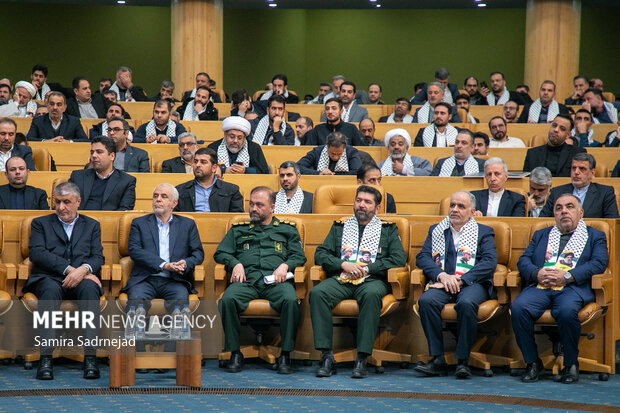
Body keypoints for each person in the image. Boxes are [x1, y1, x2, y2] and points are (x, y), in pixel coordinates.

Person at [511, 194, 608, 384]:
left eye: (569, 207)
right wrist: (536, 273)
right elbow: (523, 261)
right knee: (519, 307)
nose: (564, 211)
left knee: (565, 311)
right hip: (541, 286)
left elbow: (599, 263)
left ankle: (571, 364)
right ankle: (532, 362)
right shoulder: (542, 234)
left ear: (580, 213)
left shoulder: (595, 235)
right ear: (554, 214)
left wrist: (568, 276)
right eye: (559, 208)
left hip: (572, 287)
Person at [310, 185, 406, 378]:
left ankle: (362, 358)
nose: (361, 205)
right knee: (317, 293)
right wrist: (343, 264)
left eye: (367, 202)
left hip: (372, 280)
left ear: (377, 208)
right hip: (342, 278)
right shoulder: (340, 226)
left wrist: (367, 268)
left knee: (370, 296)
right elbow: (320, 254)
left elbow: (398, 259)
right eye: (359, 200)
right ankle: (327, 356)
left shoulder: (387, 230)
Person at [214, 186, 306, 374]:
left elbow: (299, 256)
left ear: (272, 207)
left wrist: (286, 265)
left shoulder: (287, 230)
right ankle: (235, 352)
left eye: (259, 205)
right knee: (227, 299)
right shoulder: (238, 230)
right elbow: (221, 252)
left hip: (276, 282)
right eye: (251, 204)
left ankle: (286, 354)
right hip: (246, 280)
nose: (253, 208)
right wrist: (235, 263)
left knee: (290, 300)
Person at [23, 181, 105, 380]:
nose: (61, 207)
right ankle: (45, 358)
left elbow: (98, 257)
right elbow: (38, 254)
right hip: (50, 277)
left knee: (89, 289)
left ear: (78, 202)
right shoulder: (40, 223)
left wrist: (84, 270)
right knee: (50, 291)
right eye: (57, 202)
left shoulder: (92, 225)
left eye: (66, 202)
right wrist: (71, 270)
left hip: (82, 278)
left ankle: (91, 357)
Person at [415, 191, 497, 379]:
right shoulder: (436, 230)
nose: (454, 210)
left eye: (461, 206)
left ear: (472, 211)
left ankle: (462, 361)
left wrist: (461, 280)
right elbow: (422, 257)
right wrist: (442, 275)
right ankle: (437, 359)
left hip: (471, 283)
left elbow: (490, 262)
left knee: (467, 303)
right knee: (426, 301)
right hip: (443, 283)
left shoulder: (484, 231)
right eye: (452, 205)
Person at [122, 184, 204, 313]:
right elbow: (135, 250)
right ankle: (136, 332)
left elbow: (198, 253)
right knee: (136, 303)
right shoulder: (139, 223)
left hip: (175, 280)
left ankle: (178, 333)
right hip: (145, 279)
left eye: (164, 196)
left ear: (174, 203)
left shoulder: (187, 224)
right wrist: (164, 265)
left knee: (181, 305)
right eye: (155, 196)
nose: (158, 199)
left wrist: (186, 263)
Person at [540, 153, 619, 218]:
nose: (576, 172)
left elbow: (612, 222)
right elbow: (543, 219)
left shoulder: (604, 192)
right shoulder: (556, 192)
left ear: (592, 173)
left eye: (582, 169)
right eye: (574, 168)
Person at [68, 136, 136, 211]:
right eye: (92, 152)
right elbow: (66, 203)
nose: (93, 156)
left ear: (112, 156)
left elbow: (124, 211)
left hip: (110, 221)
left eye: (99, 152)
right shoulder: (77, 176)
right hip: (80, 221)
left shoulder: (126, 181)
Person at [175, 147, 244, 213]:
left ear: (214, 168)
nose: (197, 165)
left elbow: (236, 218)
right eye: (195, 161)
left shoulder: (231, 190)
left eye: (203, 162)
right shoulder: (180, 190)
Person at [297, 132, 362, 175]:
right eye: (332, 154)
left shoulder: (351, 152)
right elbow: (298, 167)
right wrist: (319, 173)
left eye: (339, 154)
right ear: (327, 147)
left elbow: (358, 172)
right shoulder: (317, 151)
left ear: (344, 148)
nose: (336, 157)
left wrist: (335, 175)